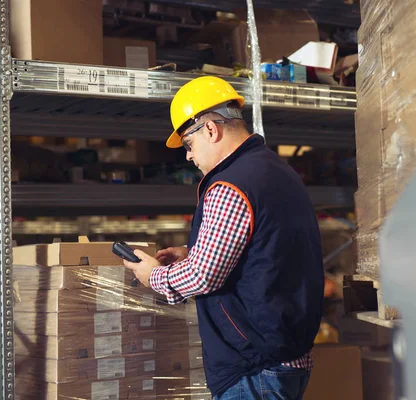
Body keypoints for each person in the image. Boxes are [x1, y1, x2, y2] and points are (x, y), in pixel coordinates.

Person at [124, 76, 324, 400]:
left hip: (254, 367)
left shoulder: (230, 185)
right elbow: (264, 246)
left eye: (188, 144)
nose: (188, 156)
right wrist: (192, 251)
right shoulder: (276, 170)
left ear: (211, 130)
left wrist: (154, 276)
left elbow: (203, 275)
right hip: (287, 356)